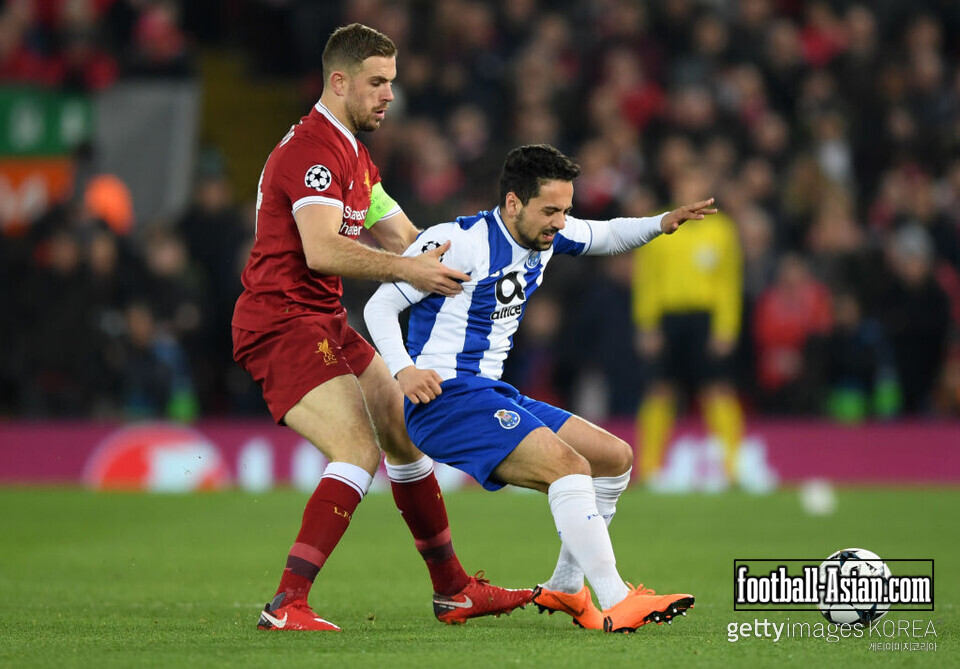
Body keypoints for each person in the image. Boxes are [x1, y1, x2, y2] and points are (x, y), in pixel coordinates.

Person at [231, 23, 532, 632]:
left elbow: (405, 236)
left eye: (391, 82)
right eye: (376, 83)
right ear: (339, 82)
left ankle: (453, 590)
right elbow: (320, 249)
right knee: (358, 450)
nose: (388, 95)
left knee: (402, 431)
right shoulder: (311, 152)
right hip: (281, 321)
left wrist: (470, 268)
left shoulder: (355, 155)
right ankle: (286, 604)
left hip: (322, 317)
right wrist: (409, 271)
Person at [364, 144, 711, 633]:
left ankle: (568, 587)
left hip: (490, 393)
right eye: (550, 210)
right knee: (568, 466)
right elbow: (379, 307)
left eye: (566, 209)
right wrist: (402, 369)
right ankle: (616, 598)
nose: (561, 222)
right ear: (512, 203)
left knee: (614, 458)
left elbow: (607, 233)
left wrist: (662, 221)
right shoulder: (457, 242)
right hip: (445, 398)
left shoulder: (549, 237)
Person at [632, 165, 745, 488]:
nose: (691, 189)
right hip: (669, 319)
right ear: (676, 188)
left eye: (697, 181)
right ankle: (649, 468)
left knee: (717, 388)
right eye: (686, 181)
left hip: (705, 319)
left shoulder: (722, 230)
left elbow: (729, 283)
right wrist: (647, 325)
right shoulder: (660, 226)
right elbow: (647, 281)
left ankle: (733, 468)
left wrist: (726, 328)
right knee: (660, 389)